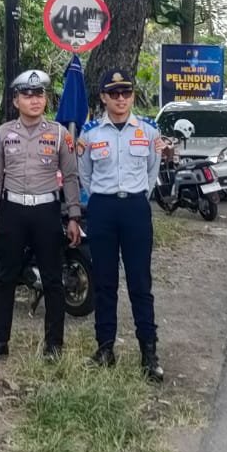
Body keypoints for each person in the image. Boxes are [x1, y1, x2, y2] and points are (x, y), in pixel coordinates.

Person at [0, 69, 83, 362]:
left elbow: (70, 177)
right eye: (27, 95)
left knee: (52, 279)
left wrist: (74, 216)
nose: (34, 100)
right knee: (5, 278)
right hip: (12, 211)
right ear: (16, 101)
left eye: (39, 94)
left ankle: (54, 345)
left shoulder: (59, 134)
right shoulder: (3, 134)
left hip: (46, 211)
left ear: (46, 99)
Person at [77, 68, 165, 381]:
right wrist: (103, 199)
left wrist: (137, 196)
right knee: (104, 282)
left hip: (135, 209)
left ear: (132, 96)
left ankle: (148, 353)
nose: (120, 98)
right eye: (113, 93)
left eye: (125, 92)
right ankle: (105, 348)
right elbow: (84, 175)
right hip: (102, 208)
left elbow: (152, 170)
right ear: (103, 97)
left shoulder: (149, 130)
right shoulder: (89, 133)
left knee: (140, 283)